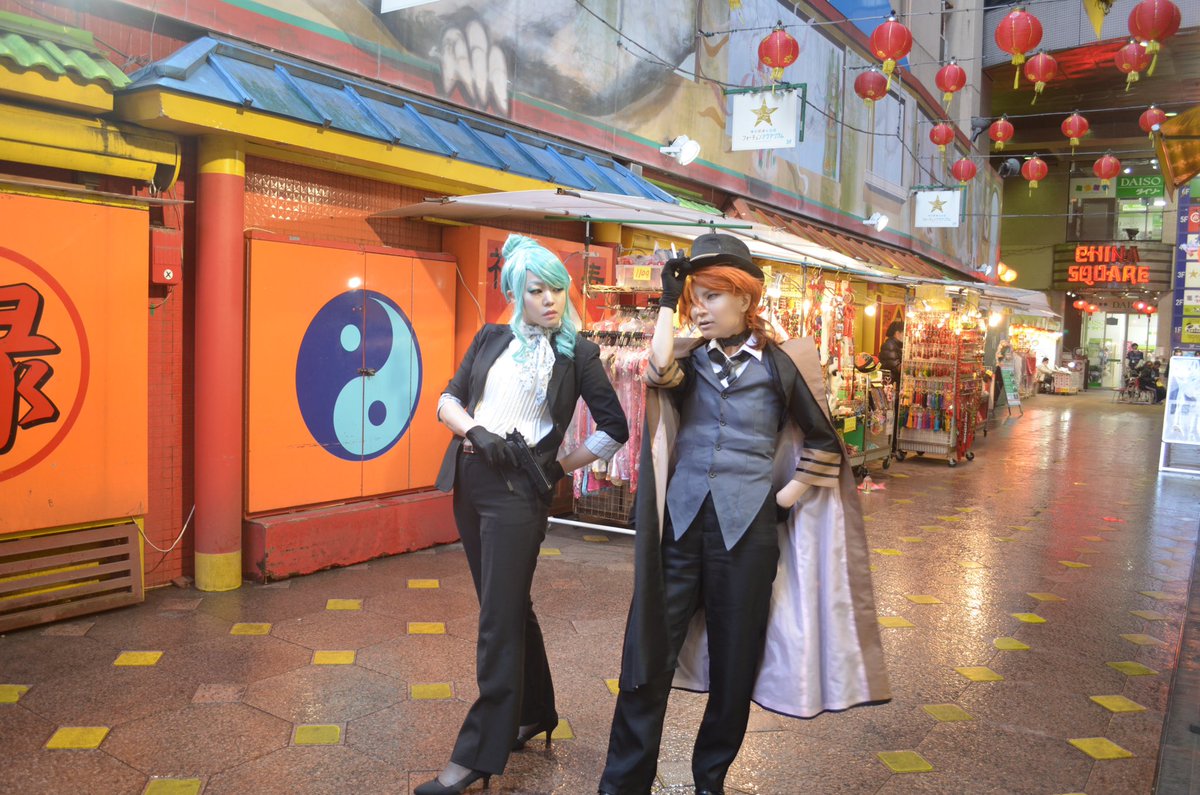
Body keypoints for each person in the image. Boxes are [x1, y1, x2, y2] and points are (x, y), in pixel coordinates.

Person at [599, 233, 889, 795]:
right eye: (695, 299)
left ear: (744, 298)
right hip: (680, 527)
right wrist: (668, 301)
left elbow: (825, 443)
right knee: (647, 654)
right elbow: (655, 368)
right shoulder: (688, 360)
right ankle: (623, 784)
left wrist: (781, 500)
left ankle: (709, 781)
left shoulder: (783, 365)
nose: (700, 310)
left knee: (735, 666)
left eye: (710, 297)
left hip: (747, 535)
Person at [423, 234, 629, 795]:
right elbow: (447, 401)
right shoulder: (490, 337)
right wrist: (477, 431)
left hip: (519, 492)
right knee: (509, 606)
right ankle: (535, 710)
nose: (550, 299)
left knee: (497, 620)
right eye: (537, 290)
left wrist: (558, 467)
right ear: (516, 293)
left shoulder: (578, 353)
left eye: (557, 289)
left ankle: (477, 754)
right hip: (471, 479)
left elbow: (615, 428)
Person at [878, 319, 904, 388]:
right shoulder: (890, 346)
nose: (905, 336)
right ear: (897, 333)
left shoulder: (896, 345)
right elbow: (897, 368)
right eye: (904, 333)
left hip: (892, 384)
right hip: (890, 385)